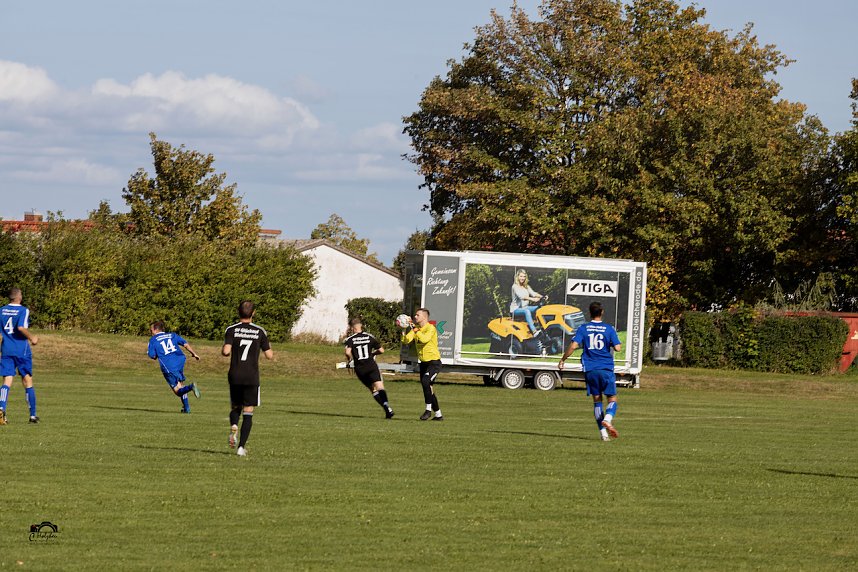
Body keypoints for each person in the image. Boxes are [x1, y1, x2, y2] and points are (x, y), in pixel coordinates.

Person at [557, 301, 622, 441]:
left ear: (589, 313)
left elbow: (573, 346)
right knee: (612, 398)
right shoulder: (609, 329)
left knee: (597, 401)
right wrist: (610, 342)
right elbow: (618, 348)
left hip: (590, 369)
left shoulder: (583, 328)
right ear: (602, 312)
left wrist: (563, 359)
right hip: (606, 368)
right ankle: (608, 419)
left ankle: (604, 434)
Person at [223, 300, 273, 457]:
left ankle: (234, 425)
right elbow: (269, 355)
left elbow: (226, 351)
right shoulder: (259, 331)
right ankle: (241, 448)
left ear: (238, 312)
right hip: (251, 376)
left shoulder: (231, 329)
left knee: (235, 407)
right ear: (254, 313)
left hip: (235, 375)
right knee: (248, 411)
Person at [0, 288, 39, 425]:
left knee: (7, 380)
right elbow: (21, 327)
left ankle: (1, 409)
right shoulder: (23, 310)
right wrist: (32, 338)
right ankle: (32, 415)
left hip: (6, 349)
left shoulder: (1, 310)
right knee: (27, 380)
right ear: (19, 297)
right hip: (21, 350)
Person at [344, 317, 394, 418]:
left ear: (352, 328)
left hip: (360, 369)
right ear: (361, 326)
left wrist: (350, 359)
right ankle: (387, 406)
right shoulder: (369, 337)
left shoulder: (350, 339)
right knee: (380, 387)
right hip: (371, 366)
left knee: (373, 390)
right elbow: (381, 350)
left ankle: (387, 409)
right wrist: (373, 353)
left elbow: (347, 352)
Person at [147, 321, 201, 413]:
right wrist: (194, 353)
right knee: (180, 385)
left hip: (168, 365)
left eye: (151, 330)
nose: (150, 332)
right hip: (180, 361)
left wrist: (154, 354)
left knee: (177, 391)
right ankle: (186, 409)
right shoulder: (172, 335)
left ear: (156, 330)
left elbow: (153, 356)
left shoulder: (153, 340)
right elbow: (185, 344)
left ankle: (191, 387)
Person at [401, 308, 443, 421]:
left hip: (434, 363)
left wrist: (414, 328)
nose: (415, 317)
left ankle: (428, 410)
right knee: (428, 388)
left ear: (424, 317)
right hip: (424, 363)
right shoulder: (416, 329)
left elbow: (424, 339)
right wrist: (404, 329)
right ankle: (438, 415)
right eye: (415, 315)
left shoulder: (431, 328)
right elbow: (406, 340)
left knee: (426, 382)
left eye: (417, 315)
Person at [509, 269, 543, 334]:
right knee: (527, 311)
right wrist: (533, 299)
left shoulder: (526, 286)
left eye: (524, 276)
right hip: (515, 310)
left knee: (539, 308)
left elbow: (533, 293)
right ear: (517, 277)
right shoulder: (515, 286)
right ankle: (534, 331)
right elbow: (521, 297)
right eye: (521, 276)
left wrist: (542, 296)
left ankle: (542, 327)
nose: (523, 278)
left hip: (524, 307)